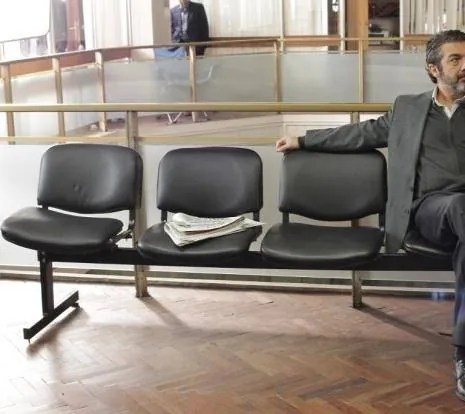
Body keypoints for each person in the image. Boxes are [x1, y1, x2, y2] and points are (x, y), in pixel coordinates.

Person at [276, 29, 465, 402]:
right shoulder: (409, 109)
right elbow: (361, 133)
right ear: (433, 69)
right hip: (431, 210)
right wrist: (304, 140)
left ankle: (462, 351)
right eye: (455, 59)